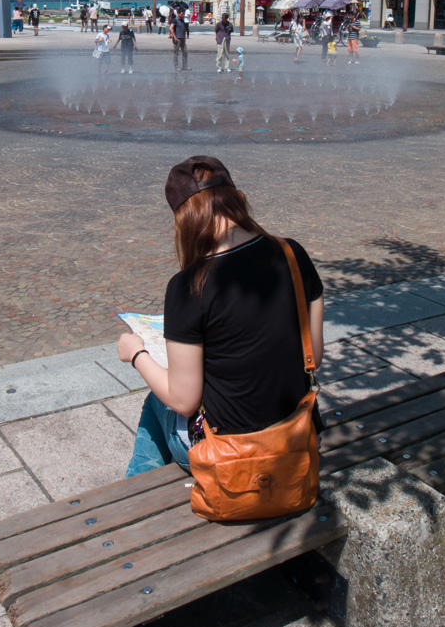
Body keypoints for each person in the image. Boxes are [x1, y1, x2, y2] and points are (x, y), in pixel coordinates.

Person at [116, 156, 325, 478]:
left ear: (184, 218)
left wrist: (137, 354)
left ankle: (133, 498)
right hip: (297, 432)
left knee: (158, 403)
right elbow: (314, 356)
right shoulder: (292, 254)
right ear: (235, 198)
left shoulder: (189, 286)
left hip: (233, 455)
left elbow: (184, 400)